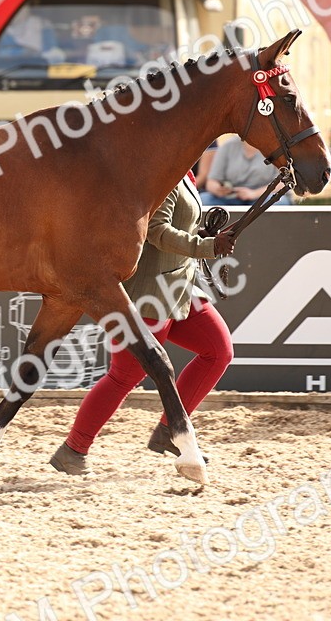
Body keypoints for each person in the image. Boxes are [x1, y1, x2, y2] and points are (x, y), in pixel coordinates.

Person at [50, 171, 237, 475]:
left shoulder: (185, 171)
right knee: (125, 374)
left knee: (218, 351)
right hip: (149, 291)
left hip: (180, 286)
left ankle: (168, 431)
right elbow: (156, 230)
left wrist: (203, 236)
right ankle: (73, 449)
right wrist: (207, 247)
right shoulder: (166, 172)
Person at [199, 135, 291, 206]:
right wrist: (218, 190)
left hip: (262, 197)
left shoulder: (275, 147)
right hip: (230, 198)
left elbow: (282, 183)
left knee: (273, 203)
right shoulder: (228, 146)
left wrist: (253, 194)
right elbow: (211, 181)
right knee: (204, 199)